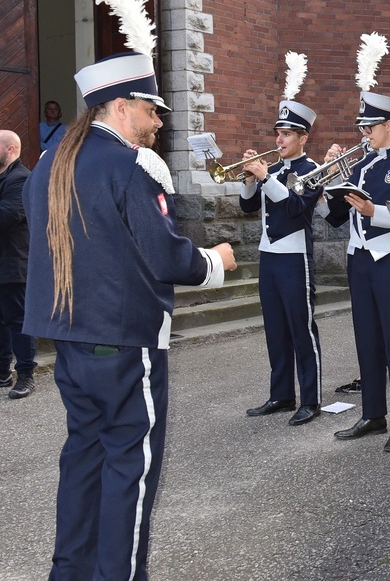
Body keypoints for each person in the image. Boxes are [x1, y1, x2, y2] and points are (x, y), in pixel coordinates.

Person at [23, 48, 236, 580]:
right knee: (129, 471)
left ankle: (69, 573)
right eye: (152, 110)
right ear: (121, 107)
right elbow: (164, 254)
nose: (159, 122)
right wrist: (215, 261)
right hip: (122, 340)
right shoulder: (127, 164)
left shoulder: (52, 162)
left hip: (69, 336)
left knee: (84, 460)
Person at [323, 89, 390, 453]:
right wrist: (329, 182)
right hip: (359, 258)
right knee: (366, 339)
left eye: (370, 126)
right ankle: (372, 413)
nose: (364, 133)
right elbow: (335, 217)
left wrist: (375, 213)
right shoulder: (362, 166)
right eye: (362, 126)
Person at [242, 72, 325, 427]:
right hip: (269, 257)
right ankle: (280, 394)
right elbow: (248, 208)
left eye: (287, 134)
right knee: (275, 328)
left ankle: (311, 399)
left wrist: (265, 178)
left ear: (303, 137)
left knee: (301, 328)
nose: (280, 140)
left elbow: (295, 208)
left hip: (294, 258)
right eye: (278, 134)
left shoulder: (313, 170)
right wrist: (249, 181)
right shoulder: (271, 169)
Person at [0, 130, 35, 398]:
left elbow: (7, 216)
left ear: (10, 149)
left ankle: (26, 375)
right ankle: (3, 373)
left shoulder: (20, 178)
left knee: (18, 321)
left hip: (14, 263)